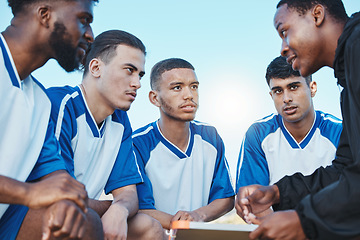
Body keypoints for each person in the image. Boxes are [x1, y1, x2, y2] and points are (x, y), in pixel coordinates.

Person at [236, 0, 360, 239]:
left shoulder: (357, 46)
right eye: (277, 91)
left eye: (284, 32)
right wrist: (278, 192)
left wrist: (306, 220)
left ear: (317, 15)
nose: (283, 47)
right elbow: (344, 173)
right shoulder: (347, 85)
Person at [0, 0, 103, 240]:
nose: (90, 36)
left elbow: (53, 173)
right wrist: (29, 193)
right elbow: (34, 192)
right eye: (84, 20)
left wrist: (65, 200)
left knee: (84, 222)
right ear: (45, 15)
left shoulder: (40, 100)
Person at [47, 30, 165, 240]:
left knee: (149, 227)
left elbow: (129, 194)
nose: (137, 83)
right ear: (95, 68)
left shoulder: (119, 121)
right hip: (36, 218)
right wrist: (111, 206)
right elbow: (59, 198)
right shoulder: (60, 105)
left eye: (139, 74)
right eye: (129, 70)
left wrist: (119, 210)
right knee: (79, 219)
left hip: (83, 213)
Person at [133, 58, 235, 230]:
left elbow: (225, 198)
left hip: (195, 234)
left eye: (194, 86)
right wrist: (181, 224)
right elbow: (140, 208)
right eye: (177, 87)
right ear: (154, 98)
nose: (189, 95)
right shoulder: (137, 143)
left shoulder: (210, 137)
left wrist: (197, 216)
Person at [236, 56, 342, 190]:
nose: (286, 99)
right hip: (273, 212)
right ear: (271, 96)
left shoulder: (340, 132)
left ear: (312, 88)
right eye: (278, 91)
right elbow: (251, 199)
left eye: (293, 87)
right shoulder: (258, 134)